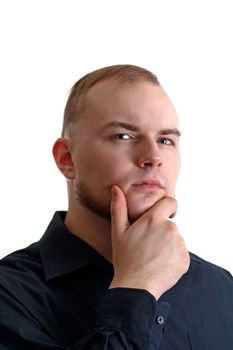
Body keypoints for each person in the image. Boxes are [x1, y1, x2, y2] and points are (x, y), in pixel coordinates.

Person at [0, 64, 232, 349]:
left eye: (165, 140)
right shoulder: (10, 294)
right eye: (123, 136)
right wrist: (138, 286)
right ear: (67, 159)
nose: (153, 156)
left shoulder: (221, 288)